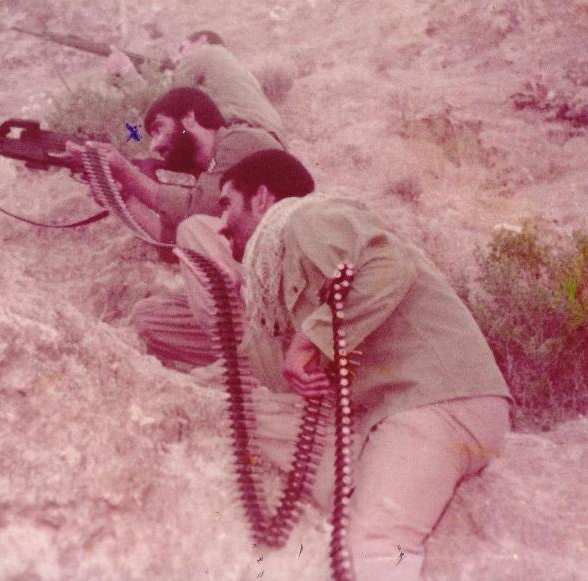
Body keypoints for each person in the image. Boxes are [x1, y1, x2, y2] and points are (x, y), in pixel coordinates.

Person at [211, 149, 513, 581]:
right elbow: (277, 377)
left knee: (374, 545)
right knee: (254, 419)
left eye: (226, 204)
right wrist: (243, 304)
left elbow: (389, 266)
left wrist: (309, 338)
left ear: (261, 198)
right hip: (395, 414)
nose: (220, 224)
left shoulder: (306, 218)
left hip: (436, 398)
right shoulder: (275, 267)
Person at [66, 86, 282, 244]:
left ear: (189, 119)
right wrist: (127, 199)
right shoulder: (211, 171)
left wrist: (125, 172)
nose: (154, 146)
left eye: (159, 128)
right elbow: (176, 245)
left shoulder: (241, 141)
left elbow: (195, 212)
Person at [106, 30, 286, 147]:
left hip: (244, 138)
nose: (178, 59)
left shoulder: (204, 53)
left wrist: (127, 71)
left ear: (202, 40)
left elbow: (164, 108)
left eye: (182, 48)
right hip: (275, 140)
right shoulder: (236, 71)